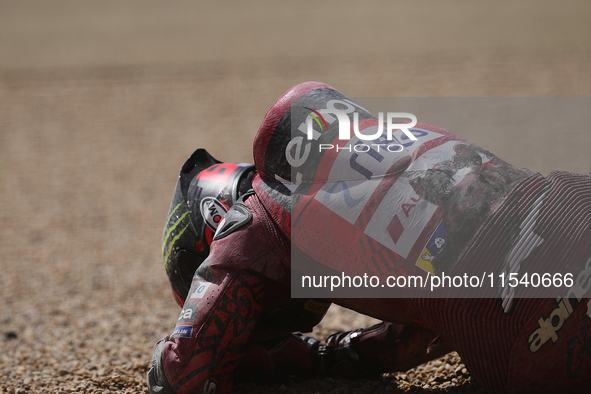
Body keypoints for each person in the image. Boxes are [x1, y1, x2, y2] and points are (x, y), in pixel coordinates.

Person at [148, 82, 591, 394]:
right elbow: (422, 326)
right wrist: (325, 355)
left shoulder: (253, 220)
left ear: (214, 221)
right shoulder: (387, 141)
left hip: (541, 326)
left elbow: (185, 375)